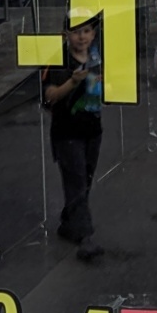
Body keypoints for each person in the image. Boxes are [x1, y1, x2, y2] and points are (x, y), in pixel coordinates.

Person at [43, 17, 103, 261]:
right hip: (66, 133)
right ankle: (85, 237)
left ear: (93, 34)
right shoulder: (58, 61)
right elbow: (50, 96)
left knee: (84, 181)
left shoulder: (98, 58)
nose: (82, 37)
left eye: (86, 31)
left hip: (93, 130)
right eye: (76, 31)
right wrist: (73, 82)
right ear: (65, 34)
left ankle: (69, 222)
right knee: (77, 182)